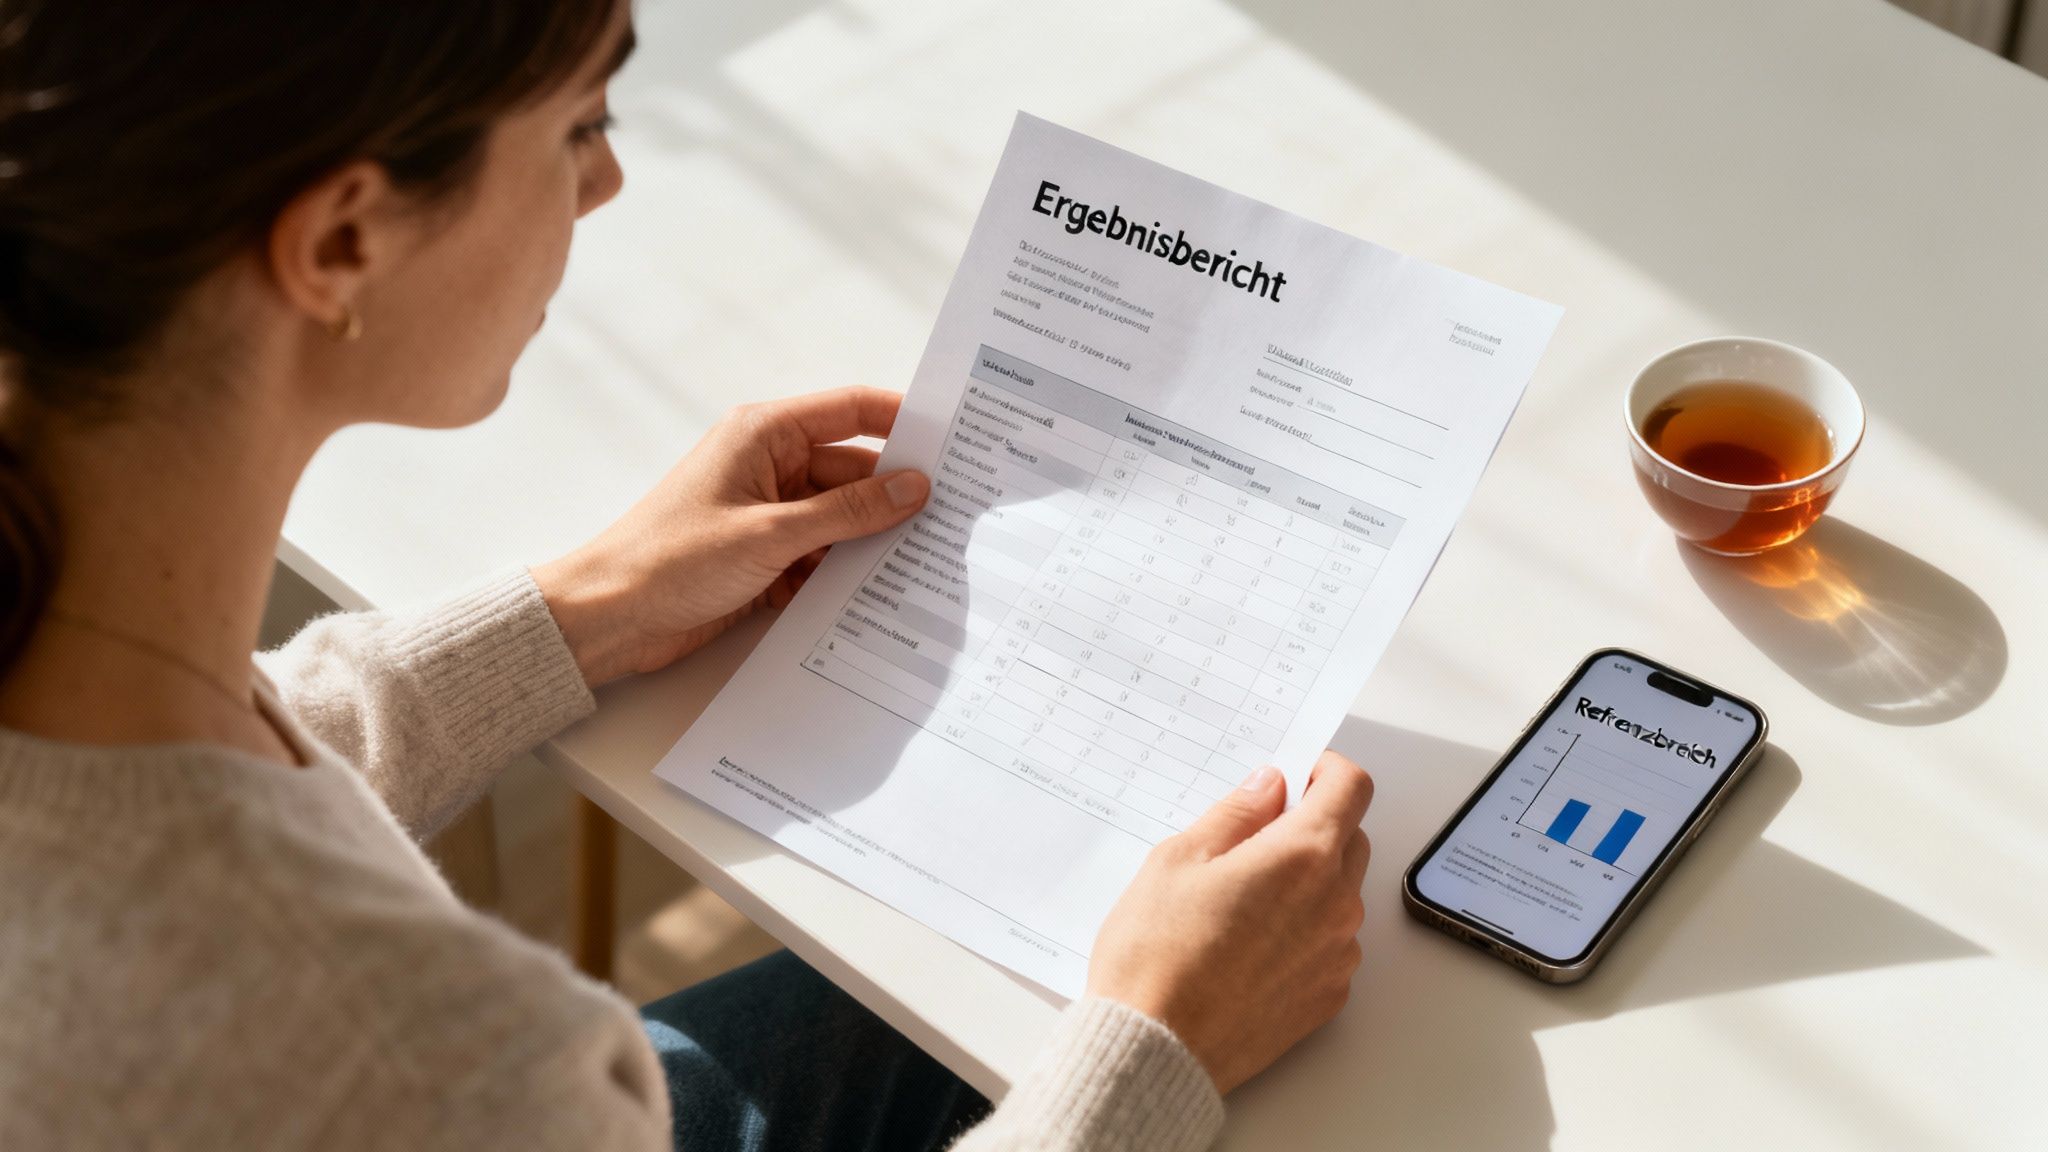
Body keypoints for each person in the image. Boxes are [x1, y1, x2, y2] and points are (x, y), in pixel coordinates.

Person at [0, 3, 1374, 1149]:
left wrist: (588, 606)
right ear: (343, 240)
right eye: (581, 128)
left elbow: (149, 801)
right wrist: (1154, 1053)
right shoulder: (432, 1058)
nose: (606, 184)